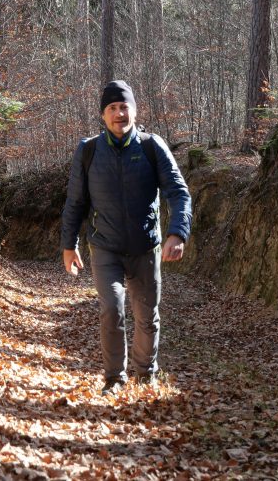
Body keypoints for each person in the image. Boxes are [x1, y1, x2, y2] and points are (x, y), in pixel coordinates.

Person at [60, 80, 192, 395]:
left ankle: (146, 375)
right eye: (112, 108)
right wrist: (69, 245)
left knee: (147, 315)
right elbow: (75, 202)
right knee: (112, 310)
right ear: (103, 115)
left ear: (133, 110)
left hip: (145, 248)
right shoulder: (88, 150)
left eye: (124, 107)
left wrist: (177, 232)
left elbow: (178, 191)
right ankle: (114, 379)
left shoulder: (151, 146)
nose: (119, 114)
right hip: (105, 248)